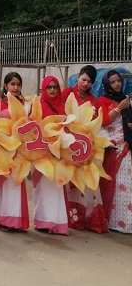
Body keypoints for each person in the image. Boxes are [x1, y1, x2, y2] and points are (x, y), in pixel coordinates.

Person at [62, 65, 107, 233]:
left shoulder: (94, 101)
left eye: (89, 81)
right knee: (68, 181)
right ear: (78, 78)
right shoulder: (67, 93)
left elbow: (97, 123)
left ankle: (87, 218)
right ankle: (69, 216)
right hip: (67, 143)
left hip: (85, 147)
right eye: (83, 79)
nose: (85, 84)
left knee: (87, 182)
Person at [0, 72, 30, 233]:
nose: (15, 87)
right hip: (1, 152)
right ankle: (4, 220)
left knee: (17, 185)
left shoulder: (26, 105)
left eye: (18, 84)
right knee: (3, 185)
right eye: (12, 84)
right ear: (5, 86)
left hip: (20, 153)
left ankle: (17, 221)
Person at [32, 75, 69, 235]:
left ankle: (58, 222)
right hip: (42, 152)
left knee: (57, 187)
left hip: (59, 152)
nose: (53, 90)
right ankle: (43, 221)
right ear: (44, 89)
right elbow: (33, 125)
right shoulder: (38, 104)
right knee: (43, 187)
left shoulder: (63, 104)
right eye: (49, 87)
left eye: (55, 87)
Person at [97, 70, 132, 233]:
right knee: (114, 184)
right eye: (112, 82)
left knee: (127, 183)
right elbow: (103, 121)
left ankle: (127, 221)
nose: (117, 84)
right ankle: (113, 221)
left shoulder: (127, 99)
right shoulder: (102, 100)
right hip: (111, 147)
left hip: (126, 146)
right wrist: (119, 108)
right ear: (107, 84)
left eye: (118, 81)